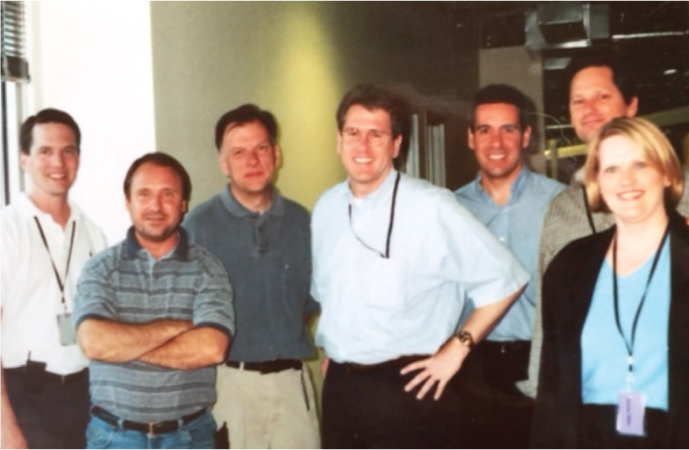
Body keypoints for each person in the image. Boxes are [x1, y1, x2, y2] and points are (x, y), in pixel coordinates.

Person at [312, 84, 530, 449]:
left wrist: (456, 350)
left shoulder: (431, 206)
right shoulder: (326, 208)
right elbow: (330, 293)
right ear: (338, 140)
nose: (362, 147)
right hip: (342, 390)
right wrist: (338, 350)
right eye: (353, 133)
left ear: (396, 145)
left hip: (411, 386)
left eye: (376, 135)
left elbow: (505, 279)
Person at [522, 54, 689, 397]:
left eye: (602, 96)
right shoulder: (561, 208)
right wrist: (540, 388)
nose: (589, 108)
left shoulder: (687, 186)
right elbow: (550, 316)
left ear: (631, 105)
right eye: (578, 100)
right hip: (595, 398)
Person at [532, 117, 689, 448]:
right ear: (597, 183)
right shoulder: (569, 266)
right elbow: (551, 387)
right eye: (611, 169)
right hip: (586, 436)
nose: (626, 180)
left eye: (640, 164)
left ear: (667, 173)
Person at [72, 153, 234, 449]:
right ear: (128, 202)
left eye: (168, 194)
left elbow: (212, 348)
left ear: (183, 202)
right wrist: (177, 327)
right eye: (144, 194)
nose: (155, 206)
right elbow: (94, 343)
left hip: (189, 438)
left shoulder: (209, 269)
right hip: (113, 437)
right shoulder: (101, 267)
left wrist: (123, 344)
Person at [183, 104, 320, 449]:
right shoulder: (198, 227)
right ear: (224, 163)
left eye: (261, 148)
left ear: (276, 153)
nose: (252, 160)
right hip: (228, 384)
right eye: (239, 152)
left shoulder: (303, 222)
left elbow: (309, 302)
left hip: (291, 382)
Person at [454, 84, 564, 448]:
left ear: (526, 136)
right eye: (484, 130)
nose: (496, 142)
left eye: (508, 129)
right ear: (471, 137)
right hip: (472, 366)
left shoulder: (560, 202)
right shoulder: (449, 210)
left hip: (543, 363)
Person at [1, 108, 107, 449]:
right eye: (45, 151)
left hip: (85, 396)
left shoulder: (93, 233)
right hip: (25, 397)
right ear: (24, 160)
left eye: (68, 150)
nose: (58, 162)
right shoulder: (7, 230)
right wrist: (7, 431)